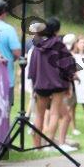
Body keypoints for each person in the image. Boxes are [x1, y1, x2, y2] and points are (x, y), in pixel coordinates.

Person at [28, 17, 77, 153]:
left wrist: (34, 83)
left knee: (39, 115)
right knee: (55, 114)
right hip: (57, 84)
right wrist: (69, 82)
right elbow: (68, 65)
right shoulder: (59, 44)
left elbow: (32, 67)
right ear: (57, 30)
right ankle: (49, 145)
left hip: (40, 84)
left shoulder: (37, 46)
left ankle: (37, 147)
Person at [73, 35, 84, 131]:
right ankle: (74, 128)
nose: (83, 44)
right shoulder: (73, 56)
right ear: (76, 44)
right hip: (75, 82)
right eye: (81, 42)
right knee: (73, 106)